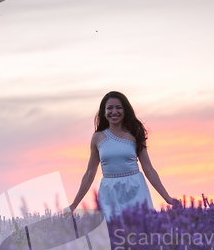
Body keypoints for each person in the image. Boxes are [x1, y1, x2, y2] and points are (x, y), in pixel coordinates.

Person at [67, 91, 181, 221]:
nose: (114, 112)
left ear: (125, 110)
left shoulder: (135, 134)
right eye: (109, 108)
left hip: (135, 189)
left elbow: (148, 169)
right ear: (103, 112)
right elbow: (89, 174)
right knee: (112, 233)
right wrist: (73, 205)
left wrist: (168, 198)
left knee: (140, 231)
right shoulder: (97, 138)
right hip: (109, 192)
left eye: (118, 107)